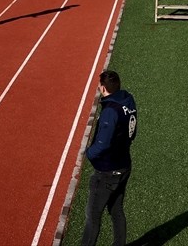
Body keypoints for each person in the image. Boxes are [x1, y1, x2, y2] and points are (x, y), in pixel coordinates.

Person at [80, 69, 137, 246]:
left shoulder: (110, 111)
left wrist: (89, 153)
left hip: (107, 172)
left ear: (103, 88)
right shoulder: (128, 100)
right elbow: (133, 131)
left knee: (93, 218)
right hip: (124, 165)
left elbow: (103, 144)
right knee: (116, 210)